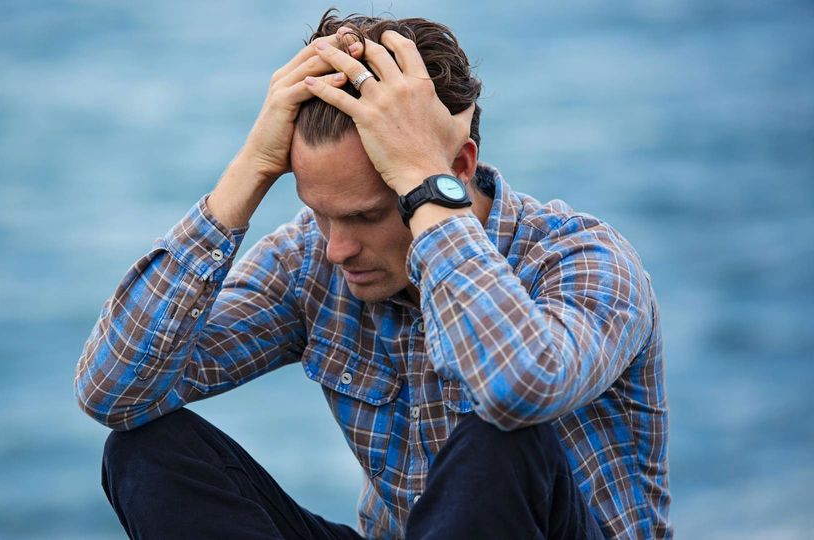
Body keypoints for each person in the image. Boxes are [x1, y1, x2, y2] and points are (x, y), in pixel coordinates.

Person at [75, 10, 671, 540]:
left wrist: (424, 183)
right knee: (144, 451)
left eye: (366, 216)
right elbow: (113, 393)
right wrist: (250, 169)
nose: (336, 248)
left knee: (502, 432)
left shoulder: (583, 259)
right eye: (319, 212)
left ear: (457, 168)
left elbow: (515, 388)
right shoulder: (311, 259)